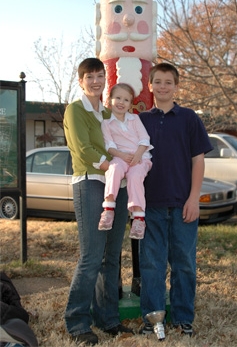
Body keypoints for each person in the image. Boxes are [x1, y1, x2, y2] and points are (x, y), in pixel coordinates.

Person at [138, 63, 213, 337]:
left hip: (184, 204)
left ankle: (183, 317)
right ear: (150, 86)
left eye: (168, 82)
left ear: (176, 86)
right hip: (150, 206)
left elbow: (198, 160)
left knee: (184, 263)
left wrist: (194, 198)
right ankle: (152, 318)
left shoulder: (189, 118)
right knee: (151, 264)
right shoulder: (141, 120)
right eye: (158, 81)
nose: (163, 86)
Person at [63, 58, 133, 346]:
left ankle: (108, 319)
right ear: (81, 81)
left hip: (118, 186)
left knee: (111, 257)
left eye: (99, 75)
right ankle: (77, 321)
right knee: (92, 256)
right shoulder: (75, 110)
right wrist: (113, 165)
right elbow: (82, 149)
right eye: (89, 76)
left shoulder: (107, 112)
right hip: (91, 183)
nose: (95, 80)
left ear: (106, 78)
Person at [98, 83, 152, 239]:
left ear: (130, 103)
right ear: (109, 100)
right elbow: (109, 146)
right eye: (118, 98)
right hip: (120, 156)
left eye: (126, 100)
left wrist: (138, 155)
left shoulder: (134, 119)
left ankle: (138, 218)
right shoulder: (106, 124)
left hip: (140, 157)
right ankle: (108, 208)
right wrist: (121, 155)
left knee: (135, 177)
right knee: (113, 169)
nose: (121, 102)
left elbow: (144, 139)